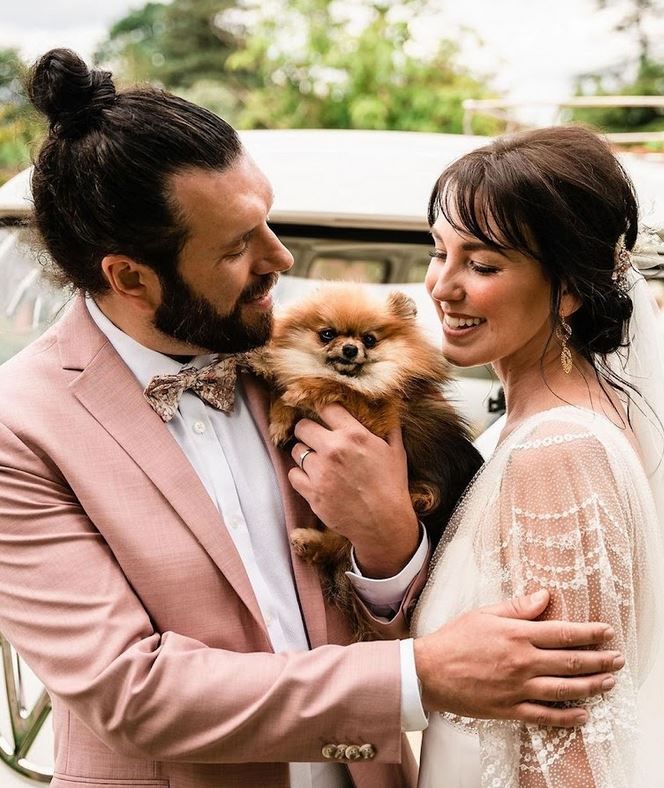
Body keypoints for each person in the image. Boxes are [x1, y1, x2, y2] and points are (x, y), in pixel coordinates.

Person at [0, 51, 621, 788]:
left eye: (266, 222)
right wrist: (417, 676)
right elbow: (131, 693)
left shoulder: (306, 356)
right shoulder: (23, 427)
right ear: (129, 277)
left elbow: (447, 584)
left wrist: (389, 541)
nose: (281, 258)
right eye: (238, 247)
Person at [414, 126, 664, 787]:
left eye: (484, 265)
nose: (443, 285)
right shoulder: (529, 429)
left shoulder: (558, 450)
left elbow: (571, 739)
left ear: (572, 288)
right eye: (439, 252)